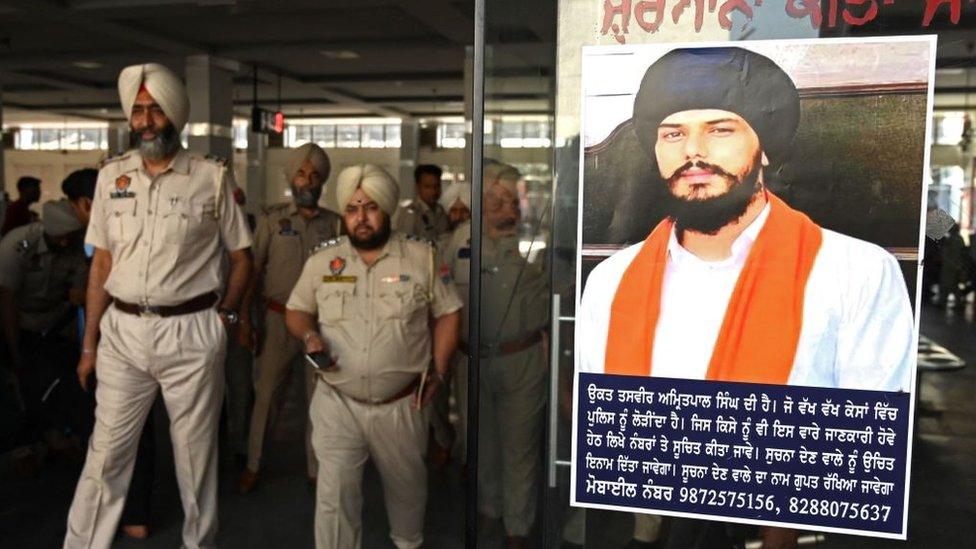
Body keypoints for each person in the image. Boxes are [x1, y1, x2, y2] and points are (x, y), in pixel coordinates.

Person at [577, 46, 915, 393]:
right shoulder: (610, 281)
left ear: (764, 148)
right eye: (673, 134)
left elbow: (870, 431)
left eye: (719, 130)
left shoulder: (858, 273)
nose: (693, 150)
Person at [63, 62, 253, 549]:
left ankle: (199, 543)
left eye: (156, 110)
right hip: (123, 332)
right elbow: (101, 265)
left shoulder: (210, 178)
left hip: (191, 329)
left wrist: (227, 315)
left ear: (177, 116)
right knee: (105, 456)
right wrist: (90, 344)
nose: (146, 121)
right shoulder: (111, 178)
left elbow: (242, 258)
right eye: (139, 110)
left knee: (194, 460)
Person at [285, 163, 461, 549]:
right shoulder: (322, 261)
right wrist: (310, 334)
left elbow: (448, 313)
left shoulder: (422, 258)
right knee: (334, 504)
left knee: (407, 501)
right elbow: (296, 309)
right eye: (352, 209)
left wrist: (441, 372)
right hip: (337, 401)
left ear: (387, 209)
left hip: (400, 404)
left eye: (370, 208)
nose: (361, 218)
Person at [443, 161, 549, 548]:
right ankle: (489, 517)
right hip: (470, 362)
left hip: (521, 360)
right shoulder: (457, 242)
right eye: (495, 200)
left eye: (511, 200)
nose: (506, 209)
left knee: (520, 451)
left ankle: (518, 532)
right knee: (481, 448)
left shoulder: (539, 241)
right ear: (478, 203)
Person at [238, 143, 342, 493]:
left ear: (322, 180)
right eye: (301, 173)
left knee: (321, 400)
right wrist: (245, 318)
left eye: (314, 175)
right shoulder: (272, 219)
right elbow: (253, 270)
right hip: (277, 320)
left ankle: (317, 470)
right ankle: (254, 465)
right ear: (291, 177)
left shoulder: (335, 223)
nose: (308, 180)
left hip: (321, 325)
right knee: (267, 395)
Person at [393, 164, 450, 240]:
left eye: (437, 186)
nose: (433, 191)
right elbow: (405, 244)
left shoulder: (442, 210)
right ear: (417, 187)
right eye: (427, 187)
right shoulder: (410, 213)